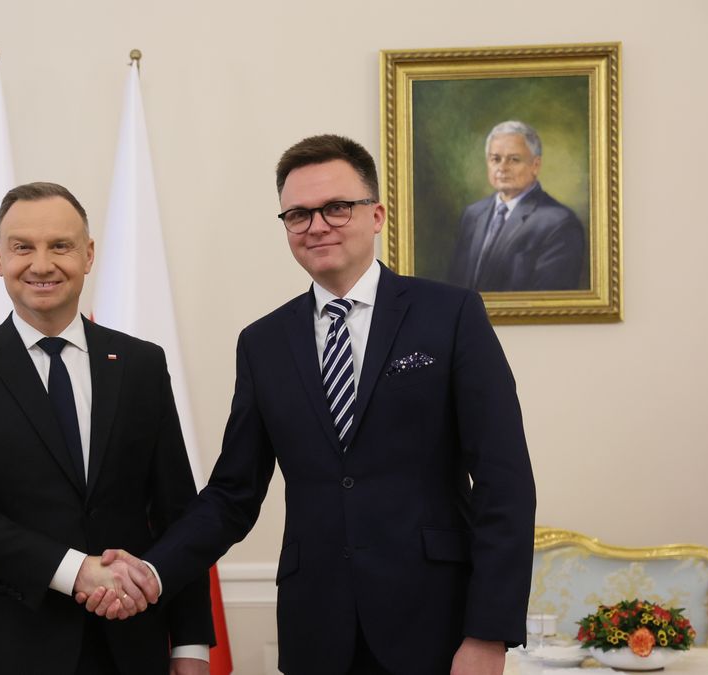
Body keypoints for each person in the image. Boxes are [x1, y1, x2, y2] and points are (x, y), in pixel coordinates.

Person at [84, 136, 536, 675]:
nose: (317, 225)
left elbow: (503, 483)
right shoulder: (263, 343)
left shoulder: (452, 315)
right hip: (316, 631)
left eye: (336, 208)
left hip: (437, 626)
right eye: (298, 214)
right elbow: (233, 494)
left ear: (376, 215)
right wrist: (153, 571)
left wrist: (488, 634)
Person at [0, 182, 213, 674]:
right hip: (3, 646)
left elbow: (177, 511)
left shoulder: (141, 364)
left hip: (129, 644)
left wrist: (190, 645)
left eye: (60, 245)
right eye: (22, 247)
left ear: (88, 254)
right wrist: (76, 571)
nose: (41, 264)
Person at [446, 120, 586, 292]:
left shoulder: (559, 223)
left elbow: (550, 299)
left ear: (535, 165)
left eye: (514, 159)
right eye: (495, 159)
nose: (502, 167)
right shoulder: (473, 215)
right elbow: (455, 286)